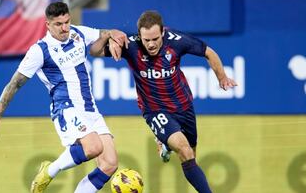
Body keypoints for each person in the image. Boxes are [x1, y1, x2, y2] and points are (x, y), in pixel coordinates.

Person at [0, 1, 128, 193]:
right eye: (58, 24)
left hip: (89, 108)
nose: (64, 28)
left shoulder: (77, 33)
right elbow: (14, 84)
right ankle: (50, 169)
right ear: (48, 24)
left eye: (67, 22)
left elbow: (101, 33)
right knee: (94, 147)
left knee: (110, 164)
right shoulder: (40, 50)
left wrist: (112, 33)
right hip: (66, 107)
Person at [94, 10, 237, 193]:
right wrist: (109, 34)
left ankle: (164, 143)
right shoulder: (129, 45)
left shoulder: (177, 41)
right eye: (147, 40)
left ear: (163, 32)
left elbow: (208, 52)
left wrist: (222, 77)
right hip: (154, 110)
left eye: (155, 39)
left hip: (184, 106)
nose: (151, 44)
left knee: (191, 155)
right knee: (184, 150)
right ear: (140, 35)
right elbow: (94, 51)